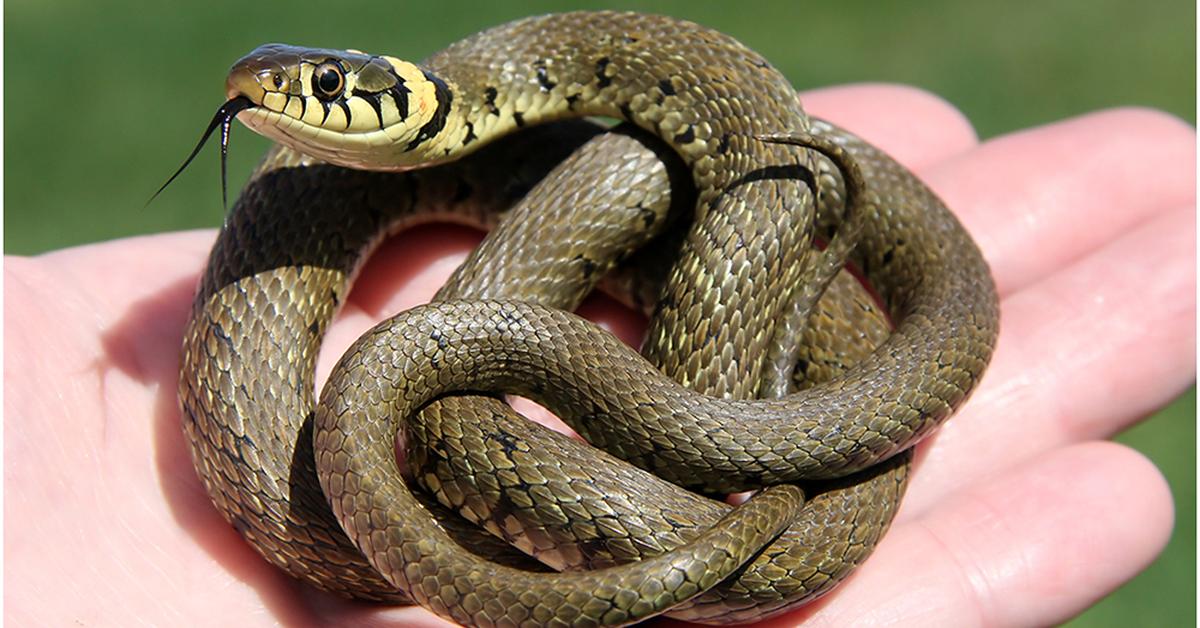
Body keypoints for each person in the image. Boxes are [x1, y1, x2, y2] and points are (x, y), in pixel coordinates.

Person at [5, 85, 1194, 626]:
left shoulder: (607, 85)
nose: (285, 103)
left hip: (703, 405)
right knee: (431, 391)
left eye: (324, 90)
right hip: (472, 424)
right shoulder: (364, 170)